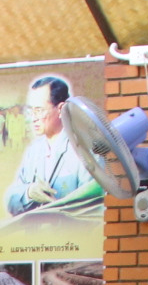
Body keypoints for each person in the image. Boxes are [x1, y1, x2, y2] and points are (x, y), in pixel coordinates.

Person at [6, 74, 102, 214]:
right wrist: (28, 193)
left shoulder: (84, 148)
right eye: (30, 111)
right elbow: (11, 201)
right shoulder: (34, 151)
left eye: (39, 110)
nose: (33, 118)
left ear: (61, 109)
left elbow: (92, 207)